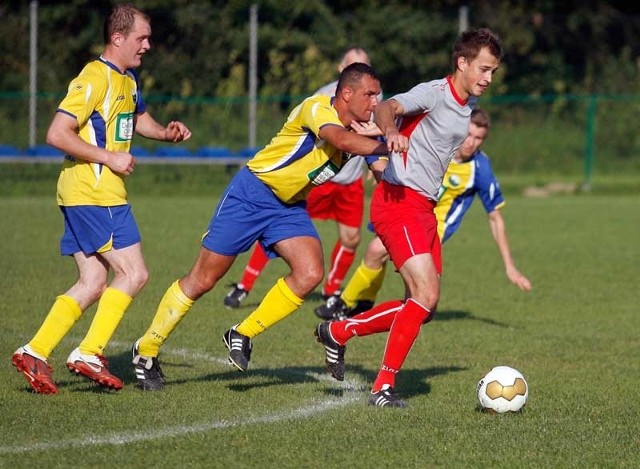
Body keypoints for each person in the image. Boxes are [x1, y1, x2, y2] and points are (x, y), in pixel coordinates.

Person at [131, 62, 388, 391]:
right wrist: (386, 143)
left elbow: (382, 170)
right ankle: (146, 350)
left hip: (289, 207)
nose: (375, 102)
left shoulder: (365, 128)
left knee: (309, 273)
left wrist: (405, 167)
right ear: (347, 93)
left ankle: (241, 333)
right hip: (252, 194)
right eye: (369, 94)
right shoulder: (317, 108)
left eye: (378, 95)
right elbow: (342, 140)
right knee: (203, 279)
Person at [314, 28, 504, 408]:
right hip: (399, 202)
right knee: (425, 295)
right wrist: (388, 132)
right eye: (483, 68)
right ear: (462, 63)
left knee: (424, 309)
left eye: (493, 71)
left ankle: (339, 330)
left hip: (423, 209)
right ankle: (382, 387)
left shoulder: (465, 109)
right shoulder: (434, 92)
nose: (487, 77)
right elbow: (389, 108)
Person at [10, 4, 192, 395]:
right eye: (142, 38)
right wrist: (109, 157)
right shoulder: (94, 77)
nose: (148, 45)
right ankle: (89, 352)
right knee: (135, 273)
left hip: (89, 192)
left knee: (93, 280)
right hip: (93, 190)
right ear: (118, 38)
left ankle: (35, 350)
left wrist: (165, 133)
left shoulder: (126, 81)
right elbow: (57, 133)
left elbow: (136, 118)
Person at [315, 107, 532, 322]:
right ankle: (363, 305)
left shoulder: (480, 168)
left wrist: (509, 266)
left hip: (433, 227)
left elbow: (495, 217)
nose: (471, 142)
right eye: (468, 135)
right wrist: (385, 167)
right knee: (389, 265)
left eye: (478, 138)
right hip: (405, 208)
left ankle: (343, 304)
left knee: (377, 250)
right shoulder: (438, 148)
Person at [223, 47, 380, 312]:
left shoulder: (373, 99)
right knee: (278, 231)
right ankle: (244, 284)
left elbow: (371, 136)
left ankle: (332, 291)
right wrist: (388, 147)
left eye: (363, 64)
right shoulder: (323, 97)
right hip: (320, 179)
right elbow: (339, 138)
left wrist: (375, 162)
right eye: (352, 64)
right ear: (342, 70)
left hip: (349, 181)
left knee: (352, 238)